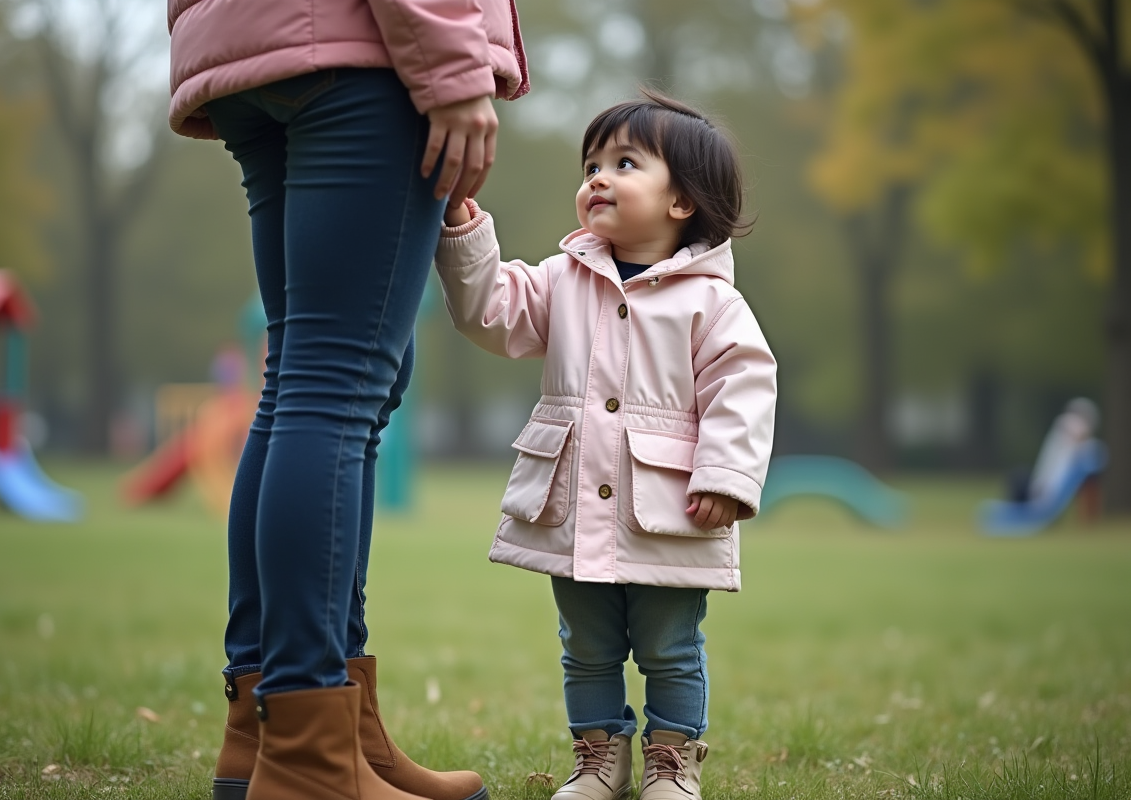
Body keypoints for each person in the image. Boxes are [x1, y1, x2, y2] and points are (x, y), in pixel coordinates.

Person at [166, 3, 528, 800]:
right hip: (362, 50)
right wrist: (455, 66)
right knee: (333, 386)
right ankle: (305, 754)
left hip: (260, 47)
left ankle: (283, 733)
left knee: (305, 379)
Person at [433, 91, 777, 800]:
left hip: (670, 510)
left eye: (624, 162)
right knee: (586, 648)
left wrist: (726, 475)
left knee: (670, 648)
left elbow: (743, 390)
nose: (597, 177)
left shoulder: (712, 303)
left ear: (681, 202)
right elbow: (489, 312)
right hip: (575, 508)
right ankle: (598, 762)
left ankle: (672, 766)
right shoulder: (563, 279)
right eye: (591, 163)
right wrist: (465, 230)